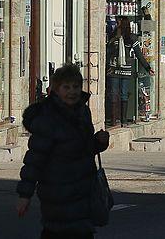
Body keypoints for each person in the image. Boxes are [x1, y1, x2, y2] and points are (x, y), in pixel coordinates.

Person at [16, 64, 110, 239]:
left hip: (83, 192)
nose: (72, 92)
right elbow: (34, 160)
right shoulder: (48, 118)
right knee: (58, 232)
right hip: (58, 193)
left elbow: (85, 148)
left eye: (76, 86)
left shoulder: (82, 111)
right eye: (66, 87)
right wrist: (25, 195)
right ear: (55, 89)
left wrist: (99, 142)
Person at [106, 20, 152, 126]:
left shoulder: (131, 37)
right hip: (114, 68)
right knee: (113, 93)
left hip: (126, 68)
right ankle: (113, 120)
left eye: (119, 23)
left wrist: (147, 67)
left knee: (124, 94)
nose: (117, 25)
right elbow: (108, 49)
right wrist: (115, 38)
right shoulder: (113, 35)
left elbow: (138, 53)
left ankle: (124, 120)